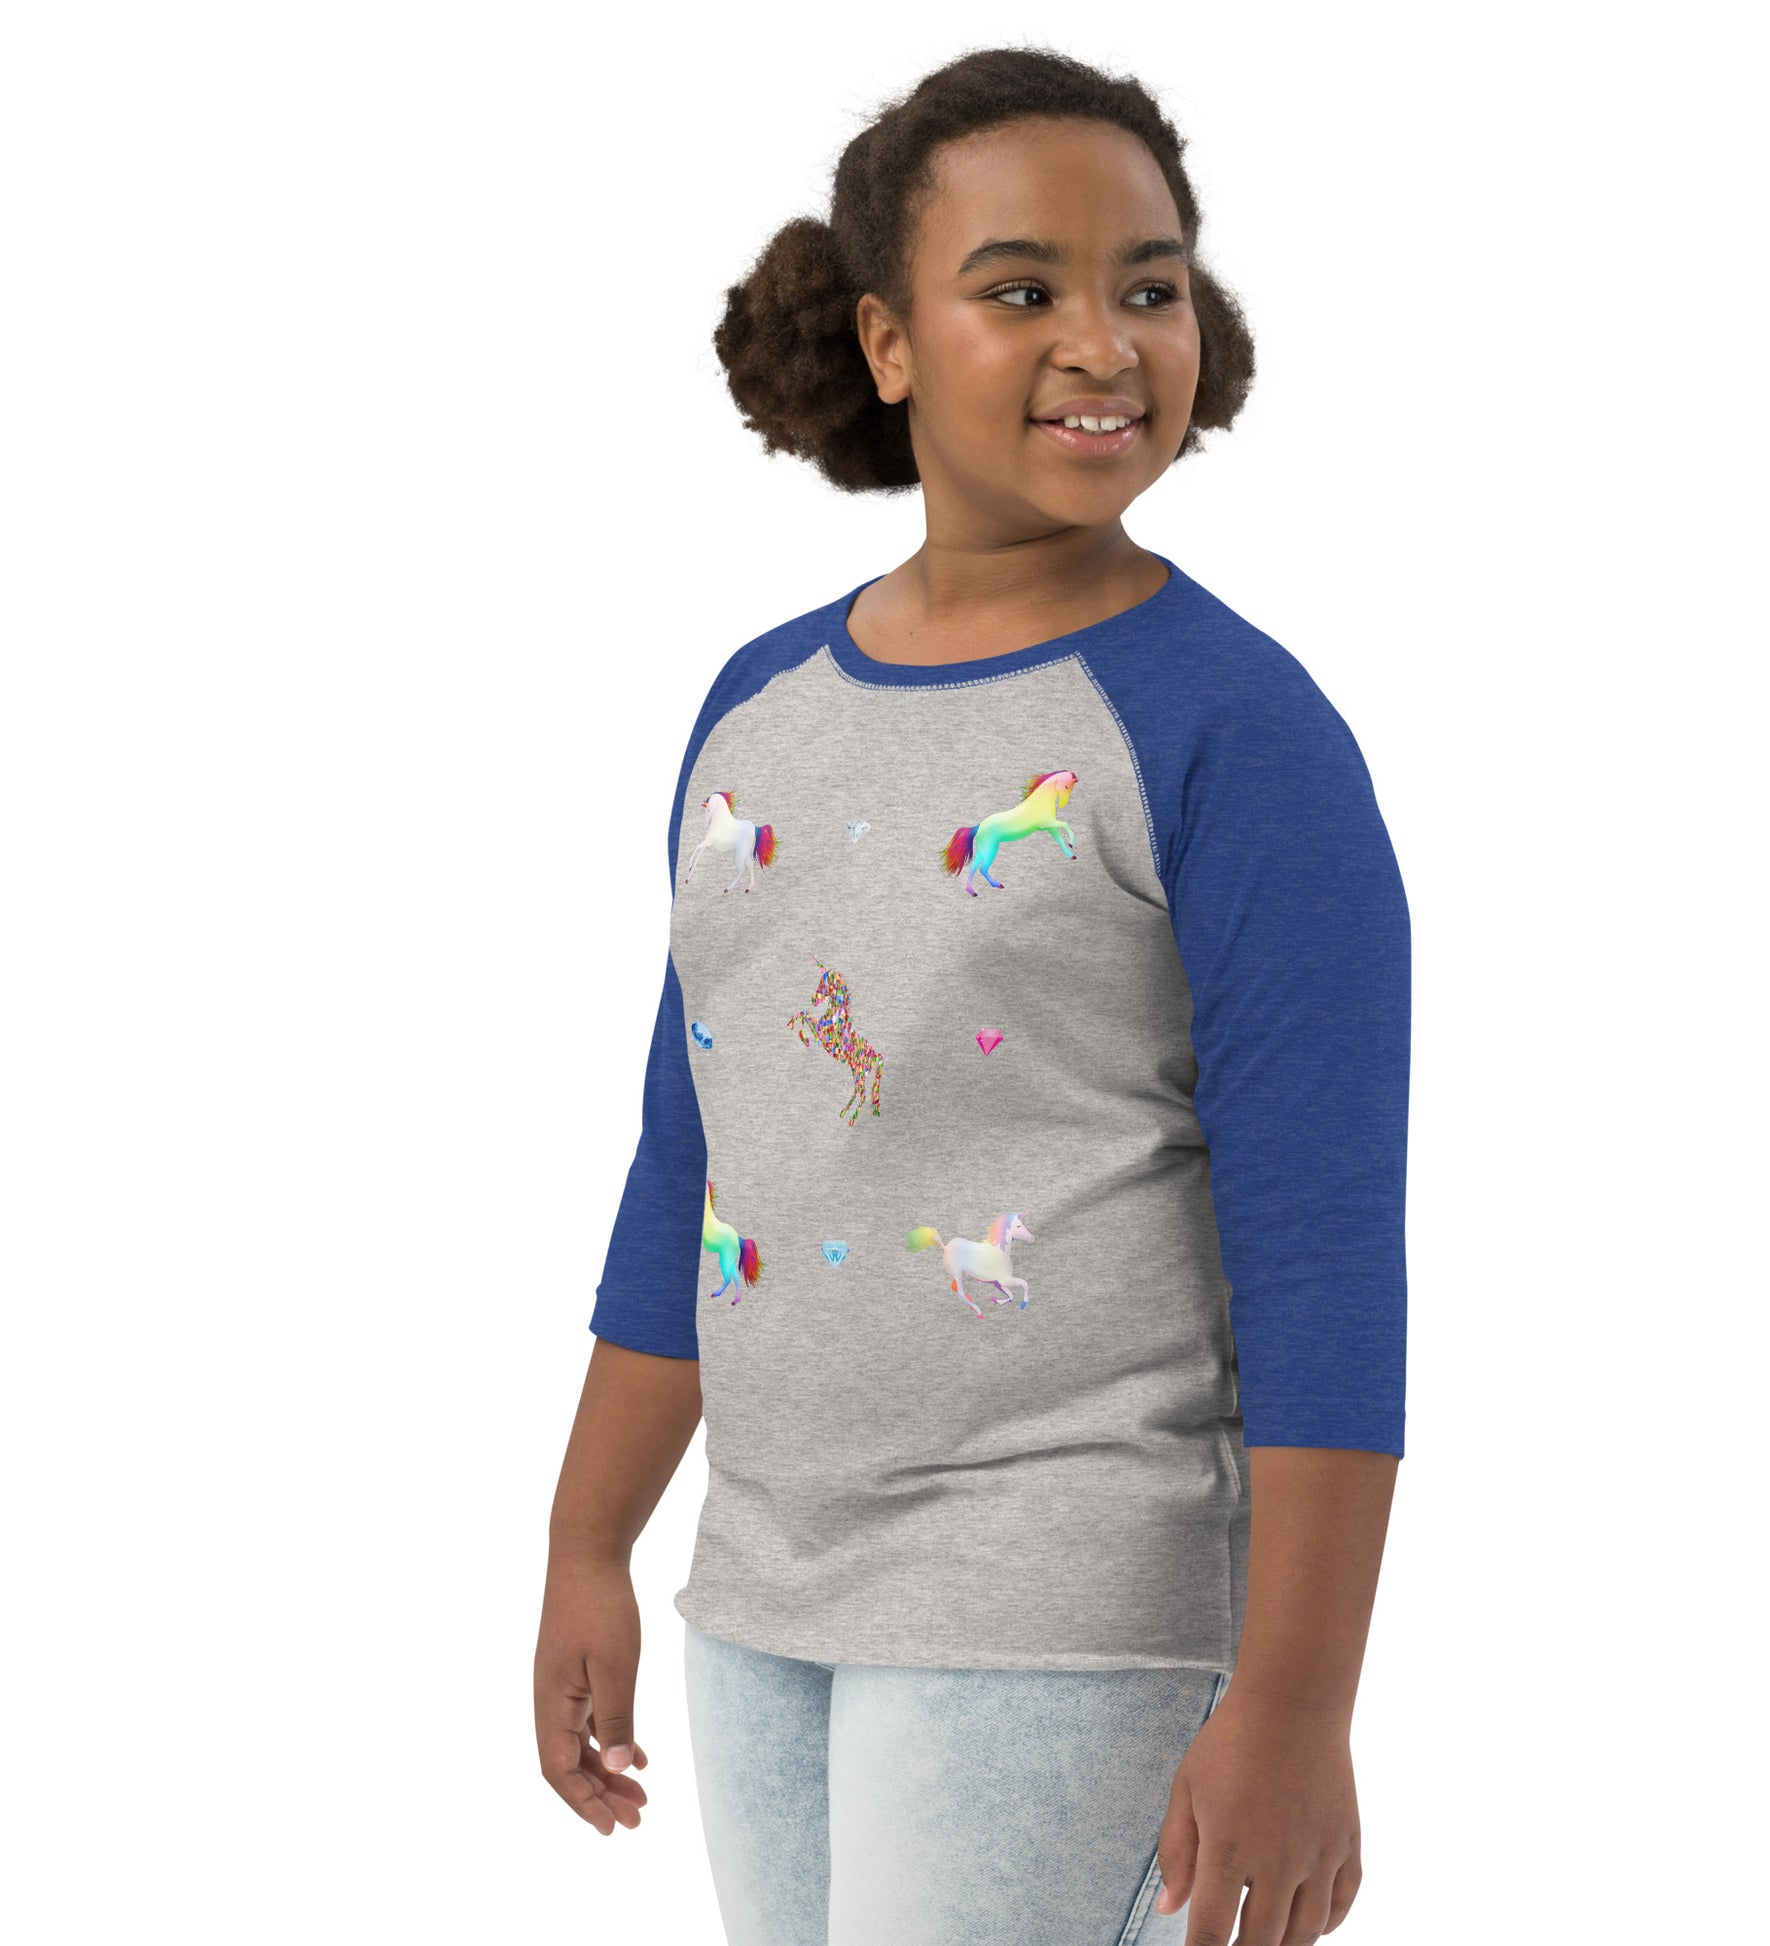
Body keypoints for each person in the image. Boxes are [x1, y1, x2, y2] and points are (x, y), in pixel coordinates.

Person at [534, 46, 1409, 1946]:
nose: (1102, 341)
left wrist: (1296, 1701)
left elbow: (1323, 1252)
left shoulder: (1233, 731)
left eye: (1147, 285)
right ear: (886, 339)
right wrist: (589, 1537)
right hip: (761, 1590)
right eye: (1021, 289)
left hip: (1064, 1597)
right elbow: (698, 1161)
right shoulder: (756, 709)